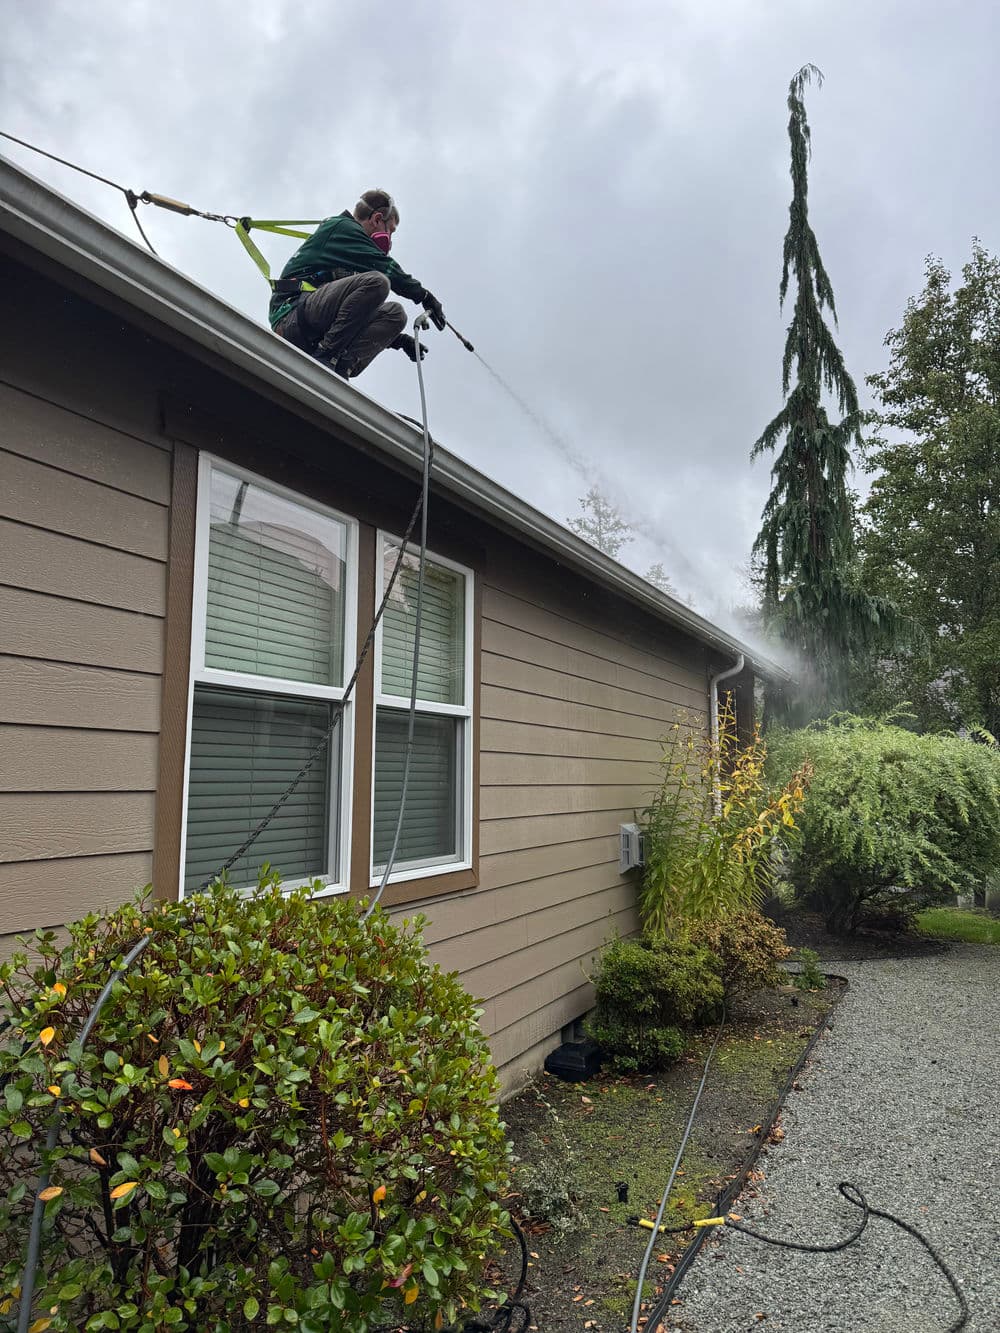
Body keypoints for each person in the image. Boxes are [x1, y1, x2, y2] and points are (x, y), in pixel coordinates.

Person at [268, 189, 446, 378]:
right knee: (378, 282)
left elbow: (350, 314)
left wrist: (396, 339)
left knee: (395, 314)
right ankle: (325, 357)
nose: (390, 239)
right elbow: (386, 267)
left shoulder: (350, 253)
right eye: (390, 230)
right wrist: (424, 296)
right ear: (377, 219)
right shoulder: (343, 228)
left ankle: (340, 369)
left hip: (314, 323)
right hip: (292, 316)